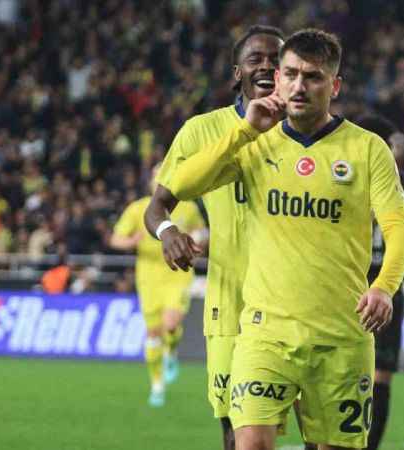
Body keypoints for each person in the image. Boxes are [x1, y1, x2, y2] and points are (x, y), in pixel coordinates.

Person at [164, 29, 404, 450]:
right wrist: (244, 130)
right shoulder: (253, 143)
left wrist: (384, 287)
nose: (299, 86)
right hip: (265, 333)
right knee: (251, 444)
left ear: (334, 86)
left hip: (342, 336)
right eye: (291, 74)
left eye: (313, 77)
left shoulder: (367, 149)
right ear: (277, 79)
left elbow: (398, 231)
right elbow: (181, 184)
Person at [144, 25, 285, 450]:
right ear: (235, 73)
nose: (265, 66)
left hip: (295, 302)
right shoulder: (201, 130)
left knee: (317, 433)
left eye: (275, 60)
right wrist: (169, 233)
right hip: (232, 305)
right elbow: (157, 207)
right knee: (237, 433)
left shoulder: (305, 130)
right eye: (255, 59)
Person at [355, 115, 404, 450]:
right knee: (380, 374)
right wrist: (394, 276)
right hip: (389, 287)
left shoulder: (347, 175)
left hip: (349, 285)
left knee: (337, 371)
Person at [110, 166, 205, 407]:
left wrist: (198, 239)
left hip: (177, 272)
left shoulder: (189, 206)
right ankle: (157, 385)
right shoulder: (137, 209)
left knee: (171, 324)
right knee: (153, 333)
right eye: (156, 177)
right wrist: (130, 241)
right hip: (148, 276)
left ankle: (171, 351)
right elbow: (115, 238)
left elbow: (201, 230)